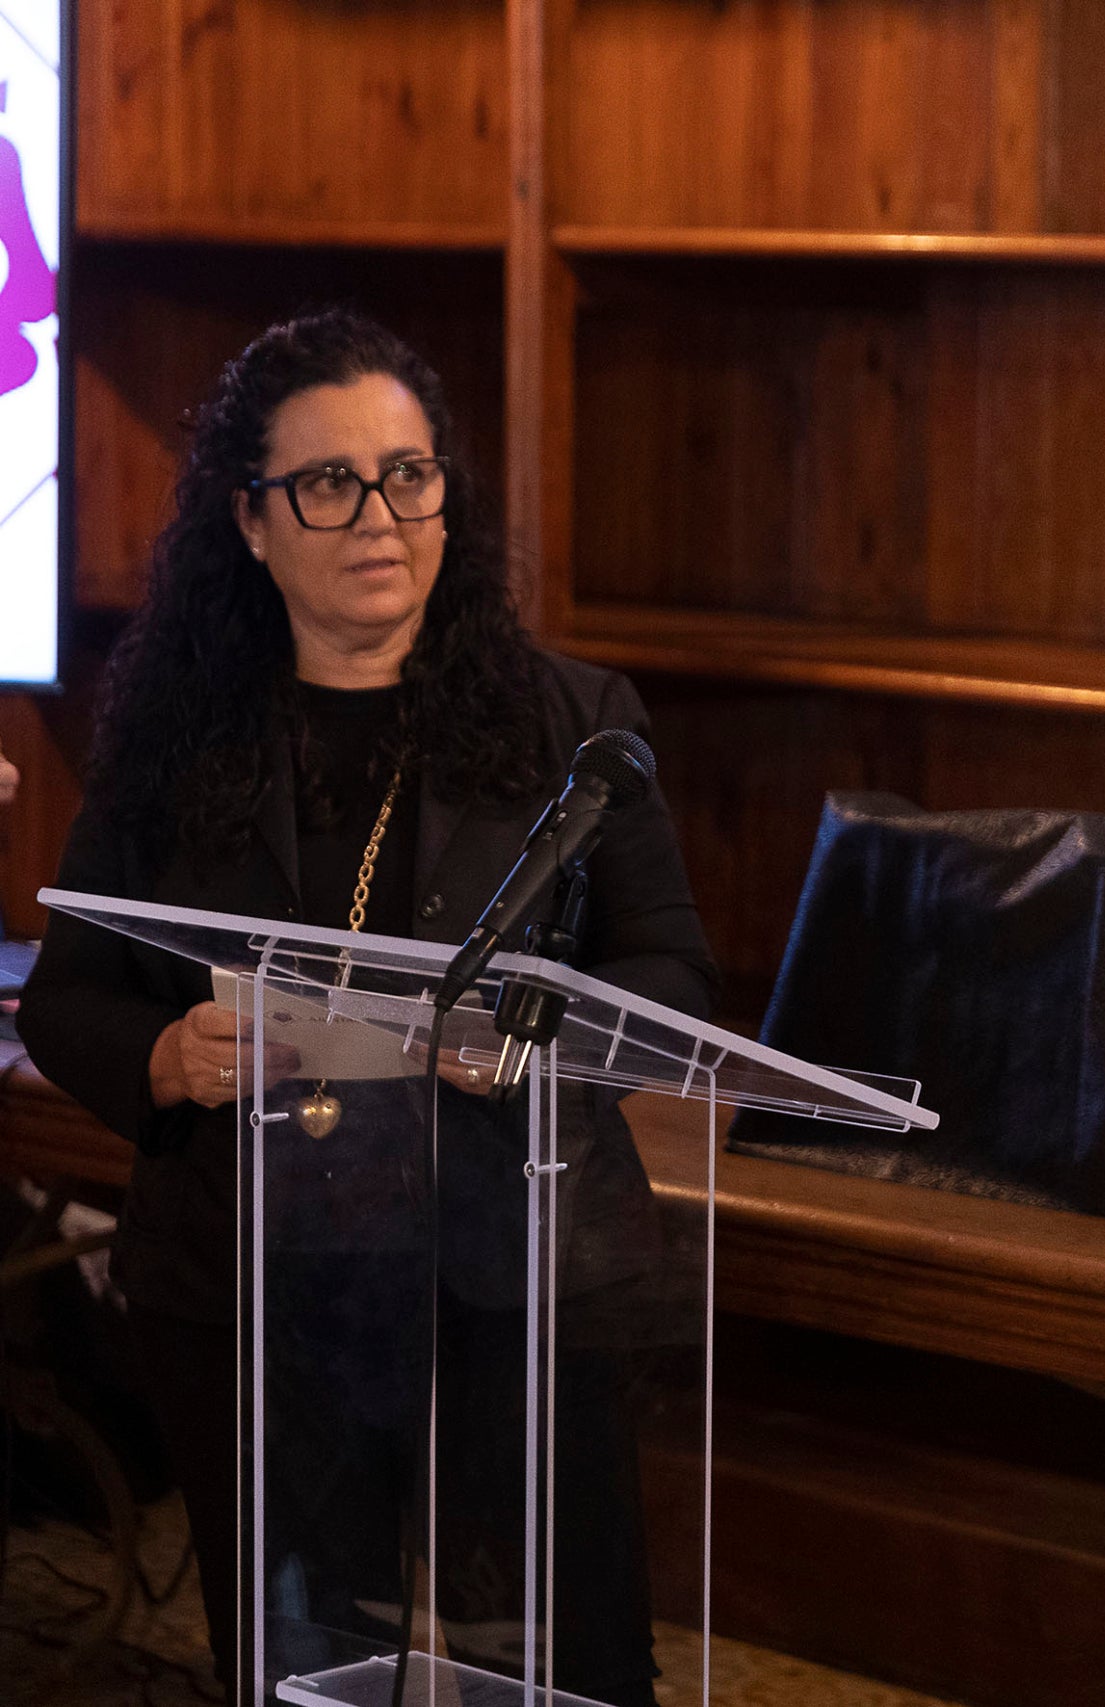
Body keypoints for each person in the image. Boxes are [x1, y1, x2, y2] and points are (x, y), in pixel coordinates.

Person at [17, 309, 715, 1706]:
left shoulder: (569, 725)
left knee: (573, 1674)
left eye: (410, 473)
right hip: (253, 1288)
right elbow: (66, 998)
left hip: (514, 1279)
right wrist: (162, 1052)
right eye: (329, 483)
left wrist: (527, 1033)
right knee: (306, 1673)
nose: (380, 515)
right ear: (253, 521)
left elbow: (671, 979)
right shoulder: (174, 734)